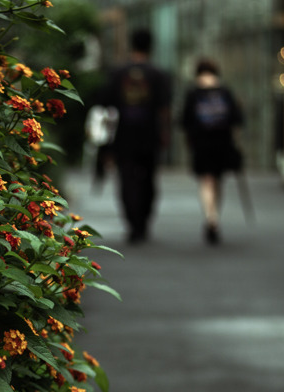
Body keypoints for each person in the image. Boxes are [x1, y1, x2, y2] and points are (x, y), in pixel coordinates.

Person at [97, 29, 172, 244]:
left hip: (123, 134)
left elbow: (105, 104)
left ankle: (132, 222)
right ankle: (143, 221)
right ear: (151, 46)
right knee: (148, 178)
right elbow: (164, 108)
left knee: (126, 178)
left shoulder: (118, 72)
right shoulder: (158, 74)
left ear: (132, 45)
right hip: (150, 133)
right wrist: (165, 133)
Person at [180, 58, 244, 245]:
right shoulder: (225, 91)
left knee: (206, 181)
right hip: (223, 143)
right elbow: (237, 120)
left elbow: (185, 121)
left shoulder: (193, 92)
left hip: (201, 144)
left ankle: (211, 217)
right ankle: (214, 215)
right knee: (217, 180)